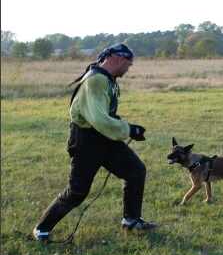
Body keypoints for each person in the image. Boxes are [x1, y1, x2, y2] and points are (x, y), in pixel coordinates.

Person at [33, 43, 156, 243]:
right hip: (87, 141)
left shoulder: (106, 79)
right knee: (77, 191)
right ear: (119, 59)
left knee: (135, 171)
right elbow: (98, 119)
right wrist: (128, 129)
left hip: (104, 137)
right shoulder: (97, 79)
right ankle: (42, 230)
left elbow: (104, 119)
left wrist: (125, 129)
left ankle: (131, 220)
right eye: (129, 64)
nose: (129, 69)